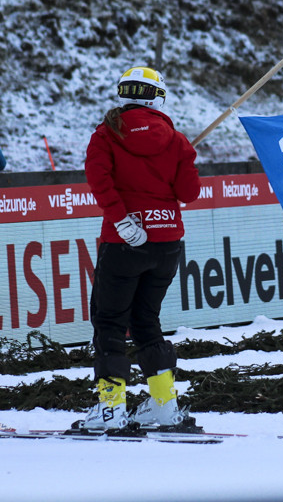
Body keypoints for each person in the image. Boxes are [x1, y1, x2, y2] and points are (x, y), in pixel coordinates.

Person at [79, 67, 200, 431]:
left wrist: (121, 220)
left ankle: (111, 409)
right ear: (158, 96)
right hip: (167, 245)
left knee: (110, 322)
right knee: (146, 321)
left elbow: (98, 180)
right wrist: (185, 157)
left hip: (123, 244)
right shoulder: (176, 140)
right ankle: (164, 404)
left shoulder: (106, 134)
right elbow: (189, 193)